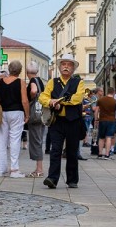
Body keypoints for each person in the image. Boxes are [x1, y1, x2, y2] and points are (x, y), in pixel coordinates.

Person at [39, 53, 85, 189]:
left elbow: (77, 99)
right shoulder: (52, 82)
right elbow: (42, 97)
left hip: (73, 121)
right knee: (55, 150)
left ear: (73, 68)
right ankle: (52, 178)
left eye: (69, 65)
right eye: (63, 64)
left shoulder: (79, 83)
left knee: (72, 151)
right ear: (59, 67)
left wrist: (60, 102)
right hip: (57, 121)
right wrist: (50, 102)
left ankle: (72, 180)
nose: (66, 67)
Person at [0, 60, 29, 178]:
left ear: (9, 69)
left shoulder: (1, 82)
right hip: (17, 112)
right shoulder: (21, 82)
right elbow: (24, 100)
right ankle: (14, 170)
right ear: (20, 71)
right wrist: (27, 114)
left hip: (3, 112)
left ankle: (0, 169)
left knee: (1, 141)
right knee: (15, 140)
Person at [25, 61, 46, 178]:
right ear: (37, 71)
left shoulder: (33, 81)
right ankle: (39, 168)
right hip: (41, 115)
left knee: (36, 141)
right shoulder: (40, 81)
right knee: (39, 140)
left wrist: (31, 99)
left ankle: (39, 169)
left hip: (35, 116)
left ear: (27, 72)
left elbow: (33, 91)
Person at [95, 87, 116, 159]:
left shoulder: (101, 100)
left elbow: (96, 110)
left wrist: (96, 119)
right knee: (109, 138)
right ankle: (107, 155)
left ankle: (100, 154)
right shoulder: (115, 101)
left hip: (102, 120)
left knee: (101, 138)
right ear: (113, 92)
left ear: (107, 92)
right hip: (112, 120)